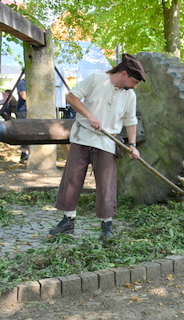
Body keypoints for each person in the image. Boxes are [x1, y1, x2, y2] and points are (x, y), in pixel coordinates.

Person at [49, 53, 145, 241]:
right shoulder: (96, 79)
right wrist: (90, 116)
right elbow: (72, 97)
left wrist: (133, 145)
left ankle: (106, 225)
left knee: (106, 184)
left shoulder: (130, 95)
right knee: (72, 179)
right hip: (82, 136)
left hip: (107, 141)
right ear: (124, 74)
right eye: (134, 81)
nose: (135, 86)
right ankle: (68, 220)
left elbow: (130, 120)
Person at [16, 79, 30, 163]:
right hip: (23, 110)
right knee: (25, 132)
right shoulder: (22, 83)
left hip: (34, 110)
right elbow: (24, 96)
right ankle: (24, 154)